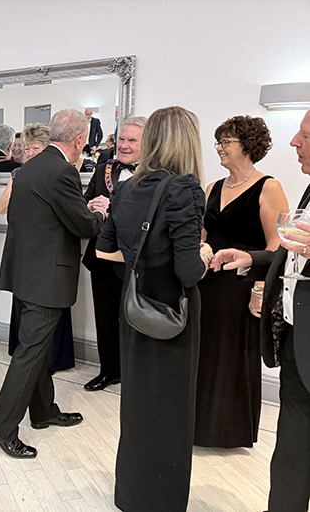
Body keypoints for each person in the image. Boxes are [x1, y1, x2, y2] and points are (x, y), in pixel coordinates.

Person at [96, 106, 212, 512]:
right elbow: (188, 271)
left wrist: (138, 259)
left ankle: (131, 495)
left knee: (138, 405)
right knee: (171, 411)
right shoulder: (186, 189)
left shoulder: (126, 188)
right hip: (172, 314)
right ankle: (161, 501)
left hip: (135, 307)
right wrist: (204, 253)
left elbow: (103, 250)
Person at [0, 109, 105, 458]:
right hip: (45, 279)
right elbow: (83, 225)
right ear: (79, 140)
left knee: (38, 350)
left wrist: (82, 207)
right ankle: (1, 427)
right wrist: (99, 212)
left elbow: (45, 215)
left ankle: (42, 412)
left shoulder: (28, 167)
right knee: (30, 354)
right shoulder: (63, 171)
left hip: (25, 273)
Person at [210, 108, 310, 512]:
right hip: (296, 337)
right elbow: (287, 252)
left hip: (284, 323)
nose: (294, 142)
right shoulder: (309, 190)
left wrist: (255, 288)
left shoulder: (269, 187)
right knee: (291, 451)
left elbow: (277, 238)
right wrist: (251, 259)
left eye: (304, 136)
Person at [196, 116, 288, 449]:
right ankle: (198, 427)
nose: (219, 148)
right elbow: (202, 236)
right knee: (204, 353)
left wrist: (260, 289)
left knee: (232, 356)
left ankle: (226, 432)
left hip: (242, 286)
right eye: (218, 142)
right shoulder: (213, 188)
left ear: (247, 146)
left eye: (226, 142)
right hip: (208, 283)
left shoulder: (269, 188)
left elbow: (277, 247)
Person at [0, 123, 75, 373]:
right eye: (26, 148)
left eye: (35, 148)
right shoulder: (18, 174)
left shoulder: (61, 170)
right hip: (26, 257)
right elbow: (0, 208)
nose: (30, 152)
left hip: (48, 259)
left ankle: (49, 366)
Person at [82, 116, 147, 391]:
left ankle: (138, 375)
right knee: (105, 317)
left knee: (138, 318)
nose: (124, 145)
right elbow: (84, 203)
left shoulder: (156, 173)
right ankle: (109, 370)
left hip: (137, 260)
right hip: (101, 257)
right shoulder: (103, 168)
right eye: (121, 139)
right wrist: (90, 207)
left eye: (132, 140)